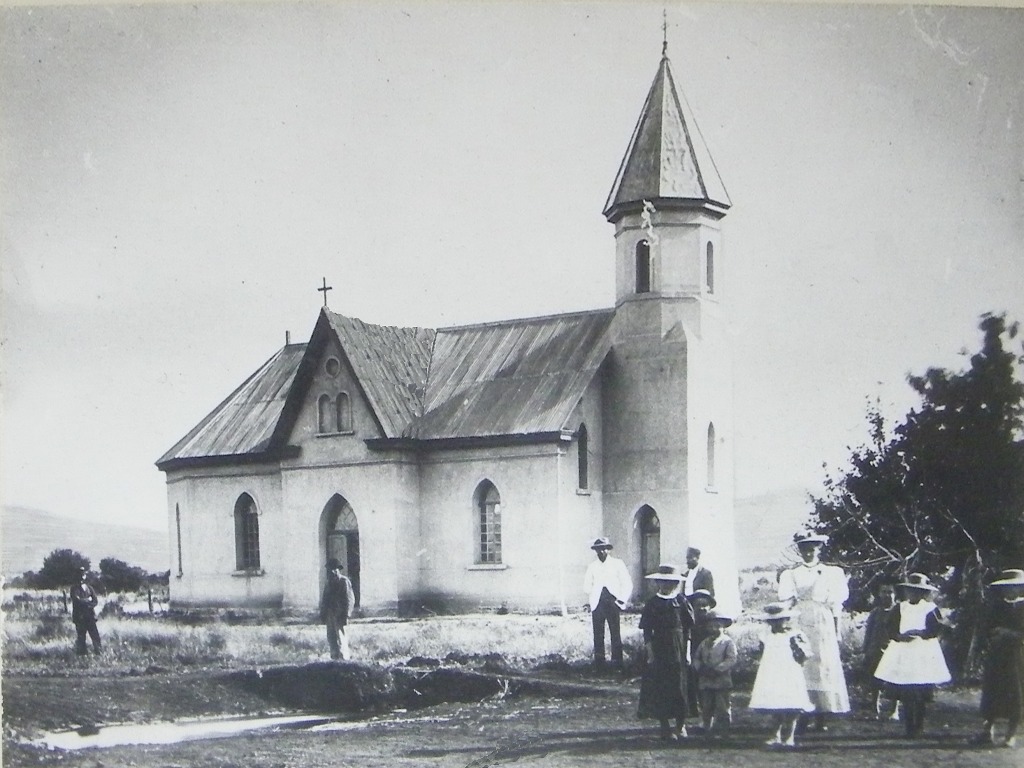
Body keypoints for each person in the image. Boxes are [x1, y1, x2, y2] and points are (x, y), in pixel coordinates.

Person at [777, 531, 850, 727]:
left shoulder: (832, 573)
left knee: (822, 665)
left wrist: (837, 631)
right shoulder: (792, 574)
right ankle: (803, 713)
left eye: (812, 549)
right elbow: (788, 603)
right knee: (802, 664)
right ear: (799, 551)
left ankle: (821, 714)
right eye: (804, 549)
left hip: (822, 621)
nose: (808, 552)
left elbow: (836, 605)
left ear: (819, 549)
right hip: (801, 619)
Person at [873, 573, 951, 738]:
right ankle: (909, 728)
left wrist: (921, 633)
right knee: (907, 690)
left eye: (917, 591)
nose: (913, 594)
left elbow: (937, 629)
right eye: (910, 591)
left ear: (923, 593)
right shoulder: (901, 607)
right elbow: (890, 627)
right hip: (904, 652)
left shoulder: (930, 608)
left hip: (923, 652)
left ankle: (919, 726)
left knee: (920, 691)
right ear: (906, 591)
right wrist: (900, 636)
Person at [637, 564, 693, 741]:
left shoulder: (682, 601)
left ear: (677, 583)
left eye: (672, 582)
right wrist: (651, 653)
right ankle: (664, 726)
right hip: (659, 648)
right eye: (663, 582)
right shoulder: (652, 603)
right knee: (661, 687)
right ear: (657, 583)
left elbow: (688, 630)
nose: (668, 586)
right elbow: (647, 631)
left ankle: (680, 726)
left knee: (679, 686)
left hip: (679, 648)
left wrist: (688, 652)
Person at [748, 602, 814, 748]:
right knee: (775, 706)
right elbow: (762, 652)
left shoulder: (794, 635)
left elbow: (804, 655)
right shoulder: (765, 636)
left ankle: (789, 737)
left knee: (792, 707)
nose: (777, 624)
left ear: (787, 620)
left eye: (780, 620)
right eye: (773, 621)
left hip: (789, 673)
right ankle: (774, 735)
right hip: (772, 673)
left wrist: (799, 654)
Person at [973, 568, 1024, 748]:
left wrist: (1007, 633)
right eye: (1005, 587)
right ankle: (988, 730)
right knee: (992, 691)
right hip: (996, 655)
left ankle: (1010, 734)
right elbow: (986, 628)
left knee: (1015, 693)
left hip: (1018, 657)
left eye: (1013, 587)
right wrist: (988, 639)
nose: (1009, 591)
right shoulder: (996, 606)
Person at [583, 537, 632, 670]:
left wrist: (621, 600)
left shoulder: (617, 564)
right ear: (596, 551)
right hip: (598, 603)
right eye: (599, 549)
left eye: (604, 549)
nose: (602, 551)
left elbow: (627, 583)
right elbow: (586, 586)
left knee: (615, 632)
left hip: (612, 602)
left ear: (608, 550)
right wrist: (593, 594)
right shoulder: (592, 567)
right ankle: (600, 663)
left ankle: (617, 662)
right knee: (598, 634)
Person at [691, 609, 737, 736]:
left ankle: (723, 729)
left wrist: (718, 669)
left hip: (721, 680)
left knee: (722, 706)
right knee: (706, 706)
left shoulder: (727, 642)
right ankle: (707, 727)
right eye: (711, 626)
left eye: (718, 626)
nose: (714, 629)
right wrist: (700, 668)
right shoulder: (704, 643)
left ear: (724, 627)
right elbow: (697, 658)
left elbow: (731, 659)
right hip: (706, 680)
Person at [863, 580, 900, 720]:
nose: (887, 595)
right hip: (875, 649)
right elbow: (869, 632)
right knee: (875, 679)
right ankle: (874, 707)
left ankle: (894, 710)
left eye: (890, 592)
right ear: (879, 594)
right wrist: (866, 650)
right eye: (884, 592)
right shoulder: (875, 612)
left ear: (895, 594)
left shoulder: (899, 611)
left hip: (893, 649)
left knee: (894, 680)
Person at [320, 557, 356, 660]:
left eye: (334, 569)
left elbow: (350, 599)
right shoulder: (328, 583)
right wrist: (323, 614)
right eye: (330, 569)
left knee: (341, 637)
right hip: (330, 614)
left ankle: (344, 658)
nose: (332, 571)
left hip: (340, 614)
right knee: (331, 637)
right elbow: (325, 599)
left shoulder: (344, 581)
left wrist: (346, 614)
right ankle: (334, 658)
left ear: (338, 570)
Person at [70, 566, 101, 655]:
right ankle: (82, 656)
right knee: (81, 638)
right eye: (79, 574)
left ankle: (98, 654)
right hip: (80, 617)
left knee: (95, 637)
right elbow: (76, 600)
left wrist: (87, 603)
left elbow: (95, 601)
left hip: (90, 616)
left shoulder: (90, 588)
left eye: (83, 574)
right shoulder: (74, 588)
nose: (81, 577)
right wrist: (88, 601)